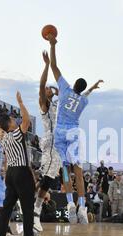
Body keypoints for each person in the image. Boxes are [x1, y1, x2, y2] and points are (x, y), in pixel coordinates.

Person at [47, 33, 103, 224]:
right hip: (73, 132)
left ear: (73, 85)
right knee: (78, 170)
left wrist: (53, 45)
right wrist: (93, 89)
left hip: (60, 132)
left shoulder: (64, 89)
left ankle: (70, 203)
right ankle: (82, 205)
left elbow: (54, 67)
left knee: (64, 169)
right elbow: (84, 94)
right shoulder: (83, 101)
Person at [0, 92, 39, 236]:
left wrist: (7, 175)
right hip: (21, 171)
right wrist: (20, 103)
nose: (15, 120)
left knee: (7, 207)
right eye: (13, 120)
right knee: (27, 206)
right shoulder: (16, 134)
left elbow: (6, 159)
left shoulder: (4, 139)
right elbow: (27, 120)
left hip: (11, 172)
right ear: (10, 125)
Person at [33, 50, 61, 236]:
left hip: (58, 143)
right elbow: (42, 83)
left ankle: (27, 199)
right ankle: (35, 210)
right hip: (50, 140)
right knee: (47, 178)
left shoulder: (56, 103)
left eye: (51, 88)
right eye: (48, 88)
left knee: (49, 179)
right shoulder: (44, 103)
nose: (49, 88)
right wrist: (46, 65)